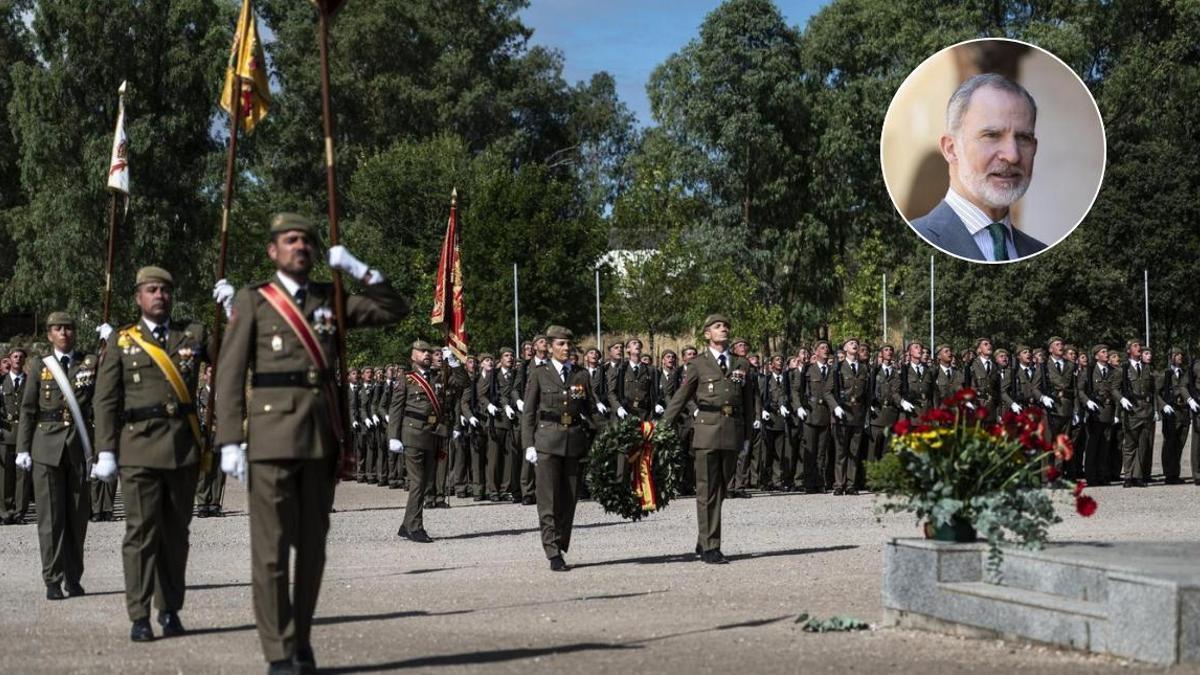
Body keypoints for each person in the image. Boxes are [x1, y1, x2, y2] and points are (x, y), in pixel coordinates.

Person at [212, 213, 408, 674]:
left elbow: (394, 310)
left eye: (306, 240)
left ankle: (300, 639)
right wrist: (229, 440)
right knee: (271, 552)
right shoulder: (254, 300)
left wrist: (359, 269)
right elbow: (230, 373)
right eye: (290, 240)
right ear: (273, 250)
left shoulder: (330, 298)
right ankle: (279, 651)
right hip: (270, 441)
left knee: (313, 549)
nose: (299, 246)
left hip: (320, 439)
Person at [93, 266, 211, 642]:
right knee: (141, 534)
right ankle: (139, 614)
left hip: (181, 449)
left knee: (176, 536)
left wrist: (232, 313)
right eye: (152, 289)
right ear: (139, 297)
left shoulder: (192, 335)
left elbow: (230, 356)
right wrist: (105, 450)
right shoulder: (122, 341)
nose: (160, 295)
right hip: (139, 450)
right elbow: (105, 400)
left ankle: (170, 609)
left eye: (165, 290)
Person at [909, 73, 1047, 261]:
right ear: (951, 149)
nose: (1012, 155)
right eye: (992, 136)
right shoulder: (914, 242)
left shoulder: (1039, 251)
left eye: (1023, 138)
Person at [661, 315, 757, 564]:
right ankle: (711, 546)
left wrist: (748, 436)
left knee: (721, 489)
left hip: (732, 431)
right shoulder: (698, 364)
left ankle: (703, 537)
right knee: (706, 490)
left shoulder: (742, 363)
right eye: (717, 326)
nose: (723, 329)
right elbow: (681, 397)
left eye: (726, 326)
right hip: (707, 431)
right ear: (707, 334)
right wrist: (662, 428)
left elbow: (749, 403)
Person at [16, 312, 96, 600]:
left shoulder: (89, 363)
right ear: (49, 334)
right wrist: (22, 449)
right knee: (50, 520)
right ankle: (52, 579)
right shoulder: (40, 365)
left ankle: (73, 578)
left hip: (78, 447)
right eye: (58, 329)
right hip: (45, 449)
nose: (64, 333)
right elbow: (28, 410)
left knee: (77, 519)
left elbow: (102, 402)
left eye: (69, 328)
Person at [519, 326, 600, 571]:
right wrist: (528, 444)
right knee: (548, 500)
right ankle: (553, 551)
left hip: (574, 442)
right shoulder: (539, 374)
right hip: (547, 442)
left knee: (569, 499)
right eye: (561, 344)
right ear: (550, 346)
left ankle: (561, 541)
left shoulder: (580, 375)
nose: (566, 348)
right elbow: (529, 413)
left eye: (568, 344)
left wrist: (611, 433)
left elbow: (591, 410)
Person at [387, 341, 467, 542]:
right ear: (413, 356)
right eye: (422, 351)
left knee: (424, 482)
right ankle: (415, 527)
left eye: (429, 352)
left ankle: (406, 525)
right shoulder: (406, 379)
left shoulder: (439, 377)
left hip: (432, 434)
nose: (427, 354)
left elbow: (464, 383)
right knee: (418, 481)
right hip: (413, 434)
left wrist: (454, 363)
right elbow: (395, 409)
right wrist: (393, 436)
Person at [1, 346, 33, 525]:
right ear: (9, 359)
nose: (18, 359)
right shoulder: (1, 381)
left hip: (24, 433)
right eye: (15, 356)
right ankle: (5, 512)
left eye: (21, 357)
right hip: (5, 433)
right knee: (4, 475)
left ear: (24, 360)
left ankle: (20, 512)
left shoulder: (31, 381)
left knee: (22, 475)